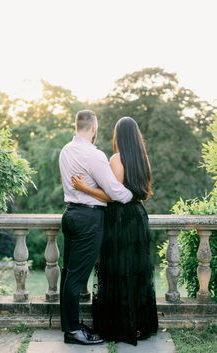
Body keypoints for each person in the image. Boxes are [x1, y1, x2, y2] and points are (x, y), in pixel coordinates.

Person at [71, 116, 158, 346]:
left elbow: (111, 196)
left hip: (120, 219)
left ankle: (118, 326)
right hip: (138, 217)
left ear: (119, 136)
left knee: (118, 270)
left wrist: (84, 188)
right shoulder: (143, 159)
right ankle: (139, 325)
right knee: (136, 272)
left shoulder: (117, 159)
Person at [59, 110, 133, 345]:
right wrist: (131, 194)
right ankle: (72, 332)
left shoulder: (65, 151)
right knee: (76, 277)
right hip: (88, 219)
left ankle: (71, 325)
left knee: (68, 272)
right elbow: (115, 191)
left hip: (70, 214)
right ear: (93, 128)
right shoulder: (94, 154)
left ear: (76, 126)